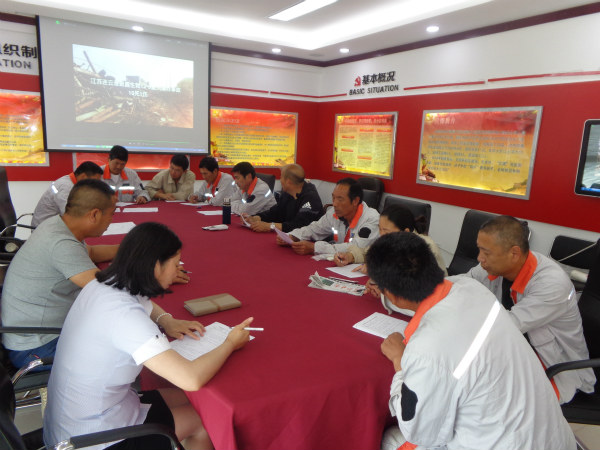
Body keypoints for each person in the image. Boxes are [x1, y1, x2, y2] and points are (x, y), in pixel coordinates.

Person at [43, 222, 254, 450]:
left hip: (80, 416)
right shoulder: (125, 316)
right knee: (205, 423)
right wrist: (229, 343)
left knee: (195, 401)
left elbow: (146, 305)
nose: (178, 270)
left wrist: (166, 320)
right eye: (175, 263)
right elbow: (190, 379)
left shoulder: (103, 284)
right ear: (155, 266)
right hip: (92, 438)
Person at [366, 233, 576, 450]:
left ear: (391, 294)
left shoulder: (426, 351)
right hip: (554, 438)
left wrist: (400, 363)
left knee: (388, 438)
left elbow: (420, 432)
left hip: (509, 444)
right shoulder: (472, 288)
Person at [464, 215, 595, 404]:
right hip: (517, 355)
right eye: (479, 249)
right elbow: (462, 285)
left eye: (486, 252)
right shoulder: (493, 266)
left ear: (514, 253)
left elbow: (504, 326)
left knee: (479, 398)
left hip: (554, 370)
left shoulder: (551, 284)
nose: (480, 258)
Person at [1, 179, 119, 367]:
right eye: (112, 214)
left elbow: (91, 253)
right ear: (94, 215)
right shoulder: (61, 244)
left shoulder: (57, 225)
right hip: (36, 347)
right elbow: (108, 291)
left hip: (35, 331)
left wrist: (133, 249)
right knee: (121, 355)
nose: (112, 220)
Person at [334, 204, 447, 312]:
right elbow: (368, 252)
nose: (381, 235)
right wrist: (351, 256)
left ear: (405, 232)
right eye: (380, 229)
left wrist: (385, 287)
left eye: (386, 231)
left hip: (434, 305)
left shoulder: (423, 248)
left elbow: (416, 289)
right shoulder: (393, 241)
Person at [279, 177, 379, 256]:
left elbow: (356, 248)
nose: (334, 204)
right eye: (333, 198)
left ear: (355, 201)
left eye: (340, 199)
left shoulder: (371, 219)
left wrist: (315, 248)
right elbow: (314, 229)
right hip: (340, 263)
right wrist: (293, 236)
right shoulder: (334, 213)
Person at [243, 163, 323, 232]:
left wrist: (270, 226)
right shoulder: (288, 193)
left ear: (288, 182)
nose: (280, 180)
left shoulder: (311, 198)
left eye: (281, 177)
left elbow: (299, 225)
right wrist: (256, 217)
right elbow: (276, 212)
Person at [31, 161, 103, 227]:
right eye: (94, 181)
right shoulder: (66, 187)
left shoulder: (73, 184)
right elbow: (71, 216)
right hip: (44, 229)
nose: (95, 185)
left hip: (54, 225)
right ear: (83, 176)